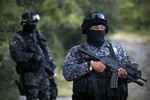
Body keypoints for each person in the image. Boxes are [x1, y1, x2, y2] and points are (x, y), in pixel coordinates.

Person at [62, 12, 137, 100]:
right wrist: (89, 65)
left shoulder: (116, 50)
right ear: (87, 30)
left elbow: (133, 73)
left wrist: (125, 76)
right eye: (95, 28)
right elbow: (67, 73)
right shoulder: (77, 51)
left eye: (102, 27)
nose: (99, 30)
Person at [9, 12, 57, 100]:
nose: (35, 25)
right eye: (33, 22)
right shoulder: (17, 38)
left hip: (43, 72)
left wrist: (51, 63)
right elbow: (15, 55)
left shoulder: (38, 35)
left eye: (36, 22)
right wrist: (31, 56)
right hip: (29, 75)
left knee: (47, 96)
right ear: (26, 23)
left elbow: (46, 50)